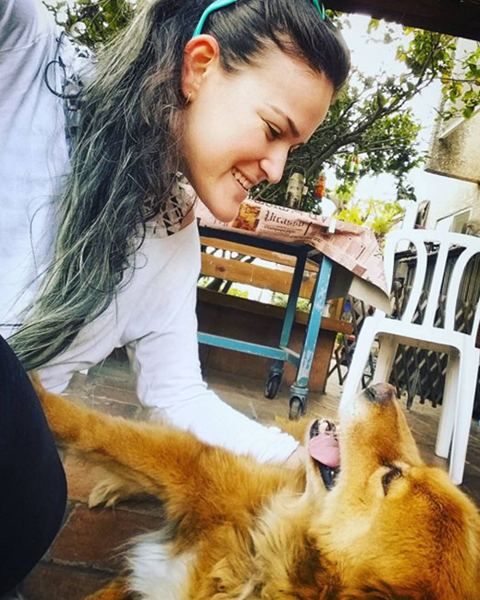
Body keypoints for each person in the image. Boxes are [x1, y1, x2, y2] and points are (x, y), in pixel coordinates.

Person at [0, 0, 349, 589]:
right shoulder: (26, 58)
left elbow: (176, 394)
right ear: (199, 66)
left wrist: (293, 459)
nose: (277, 168)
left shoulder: (172, 240)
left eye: (292, 148)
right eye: (273, 130)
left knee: (35, 496)